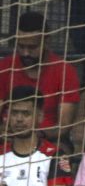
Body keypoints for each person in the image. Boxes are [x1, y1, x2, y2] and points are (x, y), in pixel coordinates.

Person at [0, 12, 80, 147]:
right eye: (21, 46)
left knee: (62, 150)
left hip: (47, 141)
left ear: (46, 41)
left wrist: (33, 134)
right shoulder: (4, 67)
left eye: (32, 47)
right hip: (7, 139)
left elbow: (63, 126)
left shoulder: (65, 71)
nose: (25, 53)